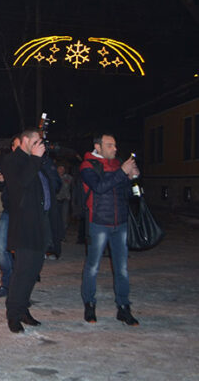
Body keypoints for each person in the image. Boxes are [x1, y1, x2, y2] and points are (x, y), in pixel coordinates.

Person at [80, 133, 140, 326]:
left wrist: (133, 179)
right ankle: (89, 304)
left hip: (120, 222)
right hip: (98, 222)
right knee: (93, 266)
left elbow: (130, 195)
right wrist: (122, 172)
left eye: (115, 145)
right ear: (98, 147)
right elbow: (99, 187)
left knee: (122, 268)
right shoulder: (88, 165)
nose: (115, 148)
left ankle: (123, 307)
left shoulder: (118, 164)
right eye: (110, 145)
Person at [1, 129, 48, 333]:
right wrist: (36, 159)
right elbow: (21, 184)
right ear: (25, 141)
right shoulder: (12, 160)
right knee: (21, 273)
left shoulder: (35, 161)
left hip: (39, 225)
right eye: (36, 141)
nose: (40, 145)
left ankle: (23, 309)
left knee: (32, 273)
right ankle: (13, 314)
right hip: (23, 226)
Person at [0, 134, 20, 298]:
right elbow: (0, 186)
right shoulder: (8, 161)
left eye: (18, 145)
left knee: (21, 251)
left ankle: (17, 284)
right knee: (0, 247)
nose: (15, 149)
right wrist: (0, 180)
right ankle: (7, 283)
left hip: (24, 213)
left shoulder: (30, 162)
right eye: (14, 146)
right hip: (8, 210)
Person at [56, 165, 74, 234]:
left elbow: (72, 188)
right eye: (60, 168)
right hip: (56, 200)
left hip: (65, 200)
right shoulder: (54, 176)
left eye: (63, 169)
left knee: (64, 218)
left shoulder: (69, 178)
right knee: (56, 218)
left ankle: (63, 234)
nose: (61, 170)